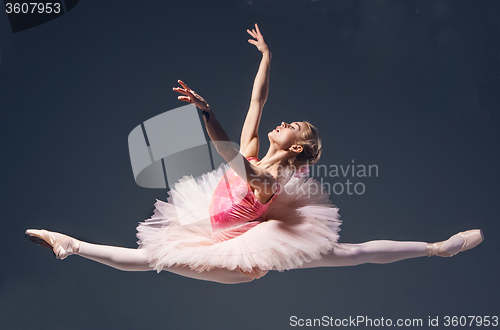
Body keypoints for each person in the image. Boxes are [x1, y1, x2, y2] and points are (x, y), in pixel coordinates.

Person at [25, 23, 484, 284]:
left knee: (351, 252)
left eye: (293, 127)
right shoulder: (256, 151)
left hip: (242, 259)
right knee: (348, 252)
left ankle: (435, 249)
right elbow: (256, 103)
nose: (282, 124)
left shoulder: (266, 181)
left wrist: (205, 112)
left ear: (298, 147)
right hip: (219, 230)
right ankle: (435, 250)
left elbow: (228, 155)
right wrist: (266, 56)